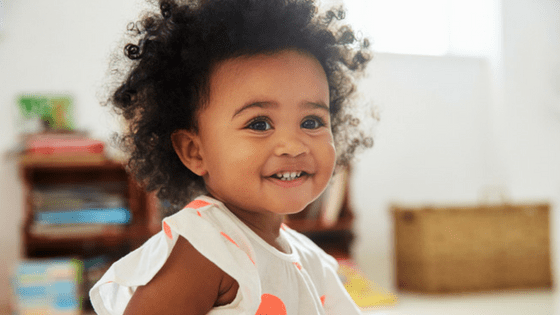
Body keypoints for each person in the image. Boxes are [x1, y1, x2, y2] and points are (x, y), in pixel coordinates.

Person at [90, 0, 374, 314]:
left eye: (312, 122)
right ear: (193, 151)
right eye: (259, 124)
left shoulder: (311, 259)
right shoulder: (206, 249)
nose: (293, 146)